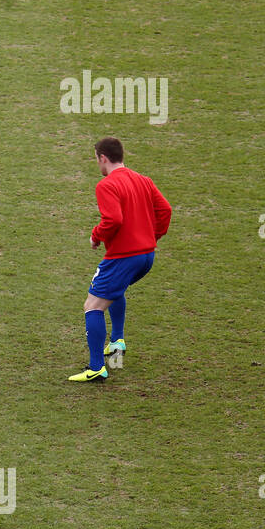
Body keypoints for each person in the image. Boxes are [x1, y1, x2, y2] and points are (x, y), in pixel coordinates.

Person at [70, 137, 172, 382]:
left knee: (92, 306)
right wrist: (151, 236)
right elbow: (165, 210)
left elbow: (113, 219)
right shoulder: (143, 180)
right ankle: (117, 342)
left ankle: (96, 368)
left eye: (96, 159)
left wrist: (96, 236)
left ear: (103, 157)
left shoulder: (107, 185)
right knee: (115, 291)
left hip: (124, 257)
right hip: (146, 256)